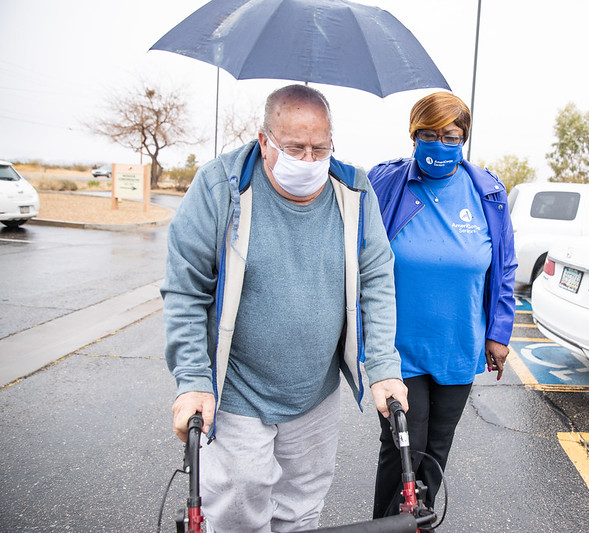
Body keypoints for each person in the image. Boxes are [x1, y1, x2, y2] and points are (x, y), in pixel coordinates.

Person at [161, 84, 408, 532]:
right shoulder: (220, 187)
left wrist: (385, 366)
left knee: (301, 509)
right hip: (237, 388)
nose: (310, 161)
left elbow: (376, 280)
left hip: (315, 390)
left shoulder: (355, 191)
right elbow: (185, 289)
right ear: (264, 141)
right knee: (238, 504)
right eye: (295, 148)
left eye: (321, 148)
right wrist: (193, 379)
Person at [368, 91, 517, 519]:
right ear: (413, 136)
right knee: (402, 451)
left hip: (458, 344)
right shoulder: (387, 183)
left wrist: (498, 333)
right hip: (399, 349)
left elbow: (504, 266)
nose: (439, 142)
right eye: (428, 134)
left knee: (436, 451)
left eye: (450, 135)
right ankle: (388, 526)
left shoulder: (487, 192)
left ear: (463, 137)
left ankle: (420, 522)